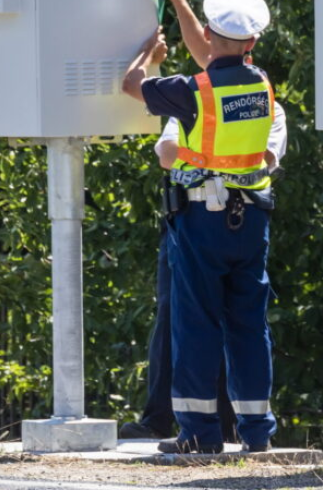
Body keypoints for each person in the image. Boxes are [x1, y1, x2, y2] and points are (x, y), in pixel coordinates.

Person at [121, 0, 278, 454]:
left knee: (196, 324)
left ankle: (198, 434)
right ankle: (257, 435)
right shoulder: (261, 85)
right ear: (252, 40)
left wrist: (151, 49)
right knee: (249, 326)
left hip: (201, 218)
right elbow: (214, 56)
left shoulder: (192, 92)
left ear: (211, 36)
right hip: (250, 218)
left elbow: (132, 84)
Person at [120, 106, 287, 442]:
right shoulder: (191, 95)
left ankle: (225, 429)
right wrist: (227, 158)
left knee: (233, 324)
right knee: (174, 320)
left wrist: (200, 158)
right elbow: (167, 154)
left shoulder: (264, 102)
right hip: (188, 216)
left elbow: (266, 157)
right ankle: (164, 420)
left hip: (237, 215)